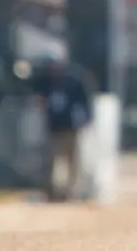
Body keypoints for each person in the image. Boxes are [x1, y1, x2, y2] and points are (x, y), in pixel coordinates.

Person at [31, 60, 94, 202]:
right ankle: (53, 191)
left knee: (72, 161)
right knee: (52, 161)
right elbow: (38, 98)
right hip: (53, 127)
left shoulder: (73, 82)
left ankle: (70, 190)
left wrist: (86, 119)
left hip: (70, 127)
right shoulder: (46, 83)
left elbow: (84, 102)